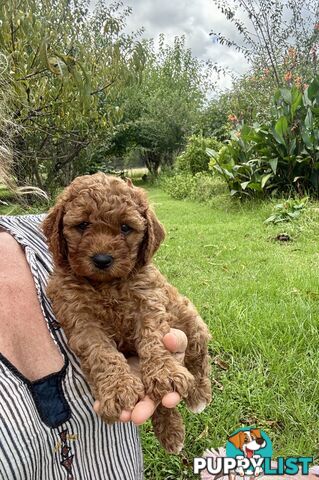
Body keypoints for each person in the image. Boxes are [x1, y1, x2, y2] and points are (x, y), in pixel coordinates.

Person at [0, 213, 189, 480]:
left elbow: (155, 305)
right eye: (82, 227)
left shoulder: (35, 232)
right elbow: (85, 331)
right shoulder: (60, 247)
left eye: (125, 229)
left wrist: (156, 352)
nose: (101, 251)